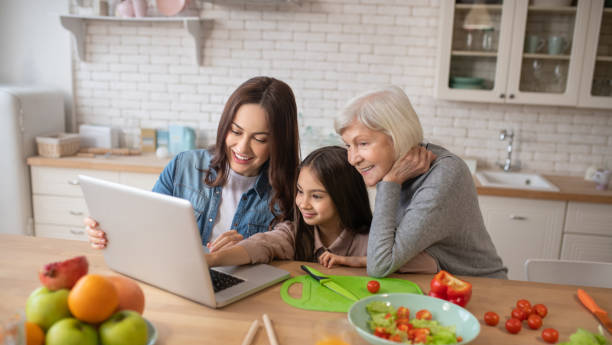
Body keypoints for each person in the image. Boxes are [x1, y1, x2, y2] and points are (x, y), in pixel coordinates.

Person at [85, 76, 300, 250]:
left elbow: (294, 256)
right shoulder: (184, 166)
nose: (242, 147)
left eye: (259, 139)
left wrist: (247, 251)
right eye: (235, 131)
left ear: (279, 142)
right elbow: (147, 225)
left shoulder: (294, 189)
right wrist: (110, 232)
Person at [335, 85, 508, 279]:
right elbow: (394, 253)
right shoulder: (398, 169)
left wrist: (390, 183)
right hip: (433, 283)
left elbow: (380, 265)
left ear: (397, 136)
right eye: (348, 146)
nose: (352, 159)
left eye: (363, 143)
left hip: (479, 288)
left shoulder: (445, 174)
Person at [204, 146, 437, 273]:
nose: (303, 203)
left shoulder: (371, 241)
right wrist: (213, 259)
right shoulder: (293, 234)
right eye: (300, 191)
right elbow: (260, 245)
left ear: (343, 198)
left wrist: (358, 261)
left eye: (316, 196)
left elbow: (428, 264)